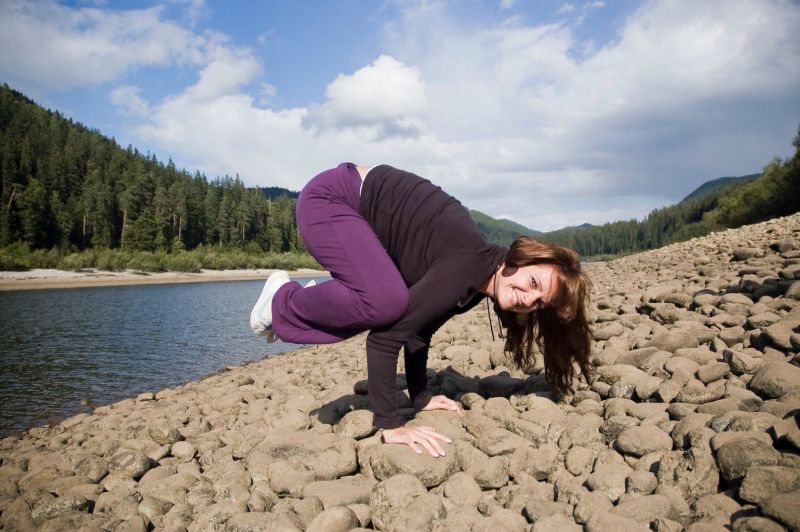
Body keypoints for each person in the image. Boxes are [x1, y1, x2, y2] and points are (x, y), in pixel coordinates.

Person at [250, 163, 592, 457]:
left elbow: (418, 329)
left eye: (538, 302)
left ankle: (305, 300)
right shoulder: (467, 265)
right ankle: (282, 298)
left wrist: (420, 396)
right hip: (330, 200)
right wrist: (391, 425)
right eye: (533, 283)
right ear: (521, 259)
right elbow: (383, 341)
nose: (526, 300)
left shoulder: (476, 281)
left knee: (387, 301)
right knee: (384, 302)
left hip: (354, 211)